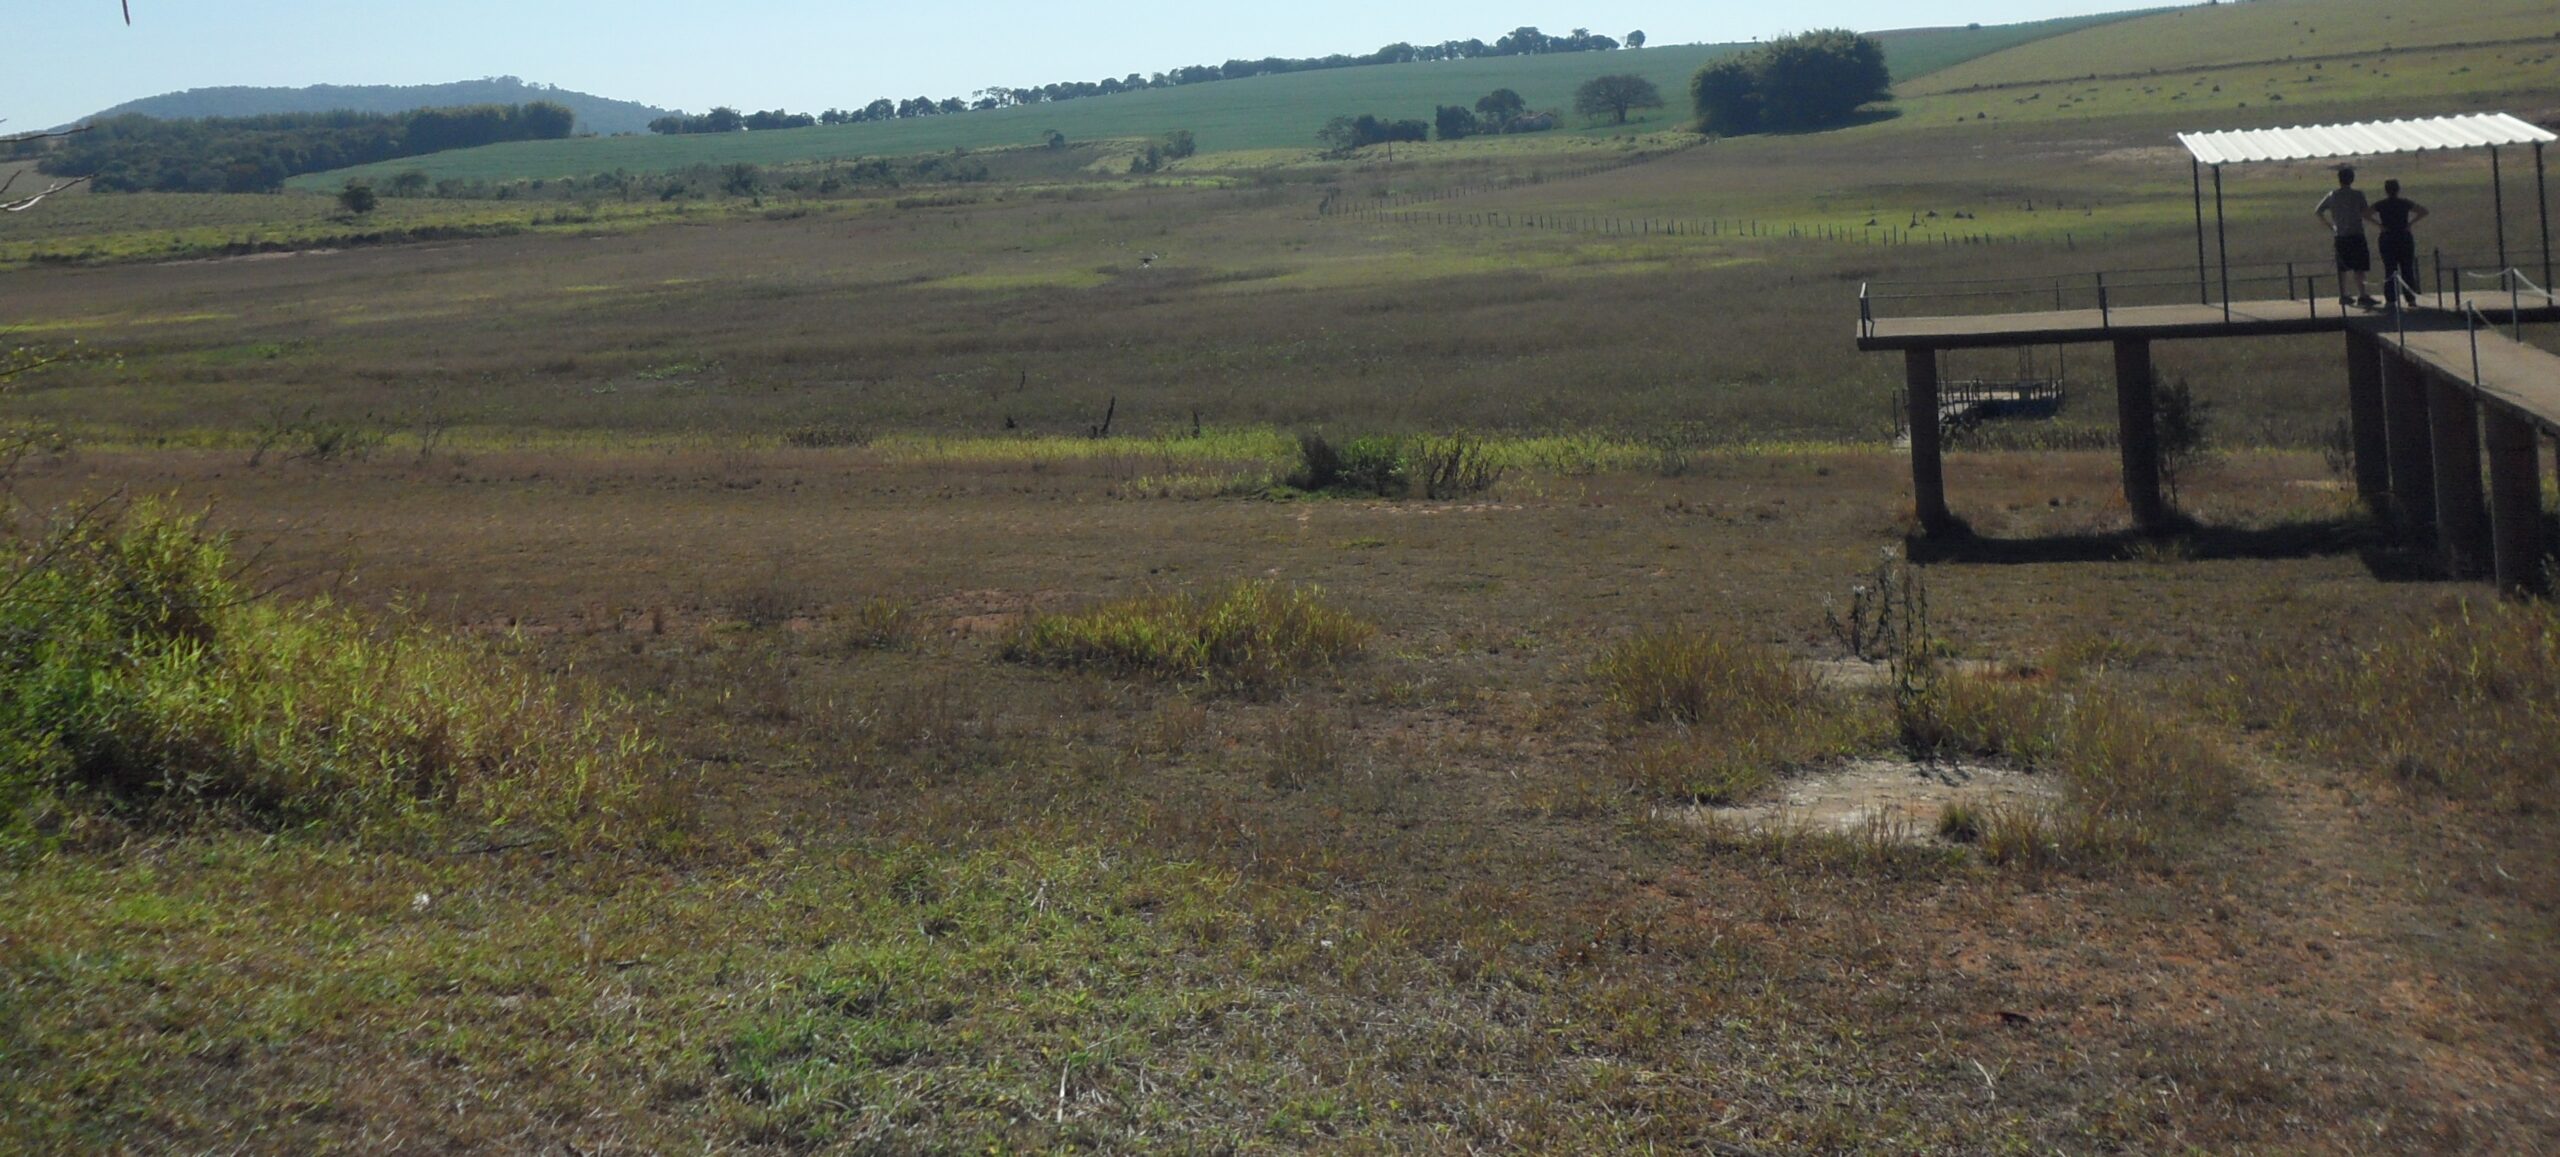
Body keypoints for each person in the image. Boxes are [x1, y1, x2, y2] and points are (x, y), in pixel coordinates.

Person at [2314, 166, 2377, 309]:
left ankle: (2343, 294)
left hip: (2341, 235)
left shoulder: (2332, 195)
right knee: (2359, 266)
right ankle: (2362, 294)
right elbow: (2366, 212)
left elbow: (2318, 211)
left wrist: (2331, 226)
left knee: (2342, 267)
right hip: (2356, 233)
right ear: (2352, 179)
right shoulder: (2358, 195)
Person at [2365, 178, 2430, 309]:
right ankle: (2410, 299)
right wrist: (2410, 223)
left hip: (2387, 237)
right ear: (2398, 189)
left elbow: (2366, 214)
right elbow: (2423, 211)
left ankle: (2391, 300)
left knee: (2390, 270)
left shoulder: (2381, 204)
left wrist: (2379, 225)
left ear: (2386, 190)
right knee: (2407, 269)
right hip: (2404, 236)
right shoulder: (2404, 203)